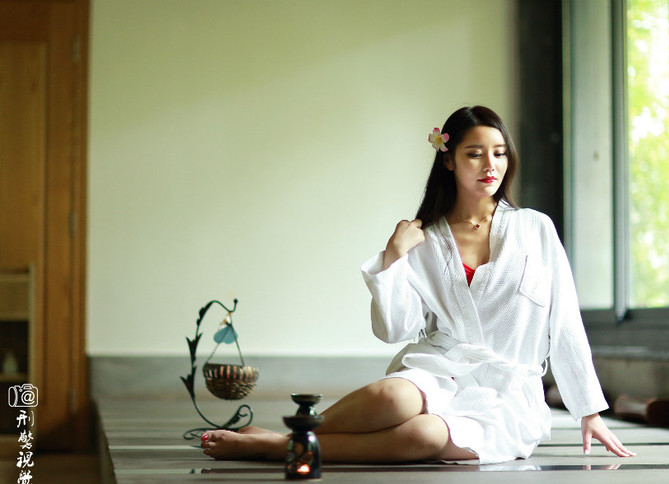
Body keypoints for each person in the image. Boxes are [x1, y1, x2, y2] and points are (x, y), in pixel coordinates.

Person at [200, 105, 635, 464]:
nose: (491, 166)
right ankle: (297, 434)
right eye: (475, 154)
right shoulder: (424, 239)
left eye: (500, 153)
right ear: (448, 159)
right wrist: (393, 258)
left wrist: (589, 410)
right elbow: (395, 330)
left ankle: (279, 445)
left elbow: (565, 322)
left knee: (423, 435)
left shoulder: (535, 229)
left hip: (506, 395)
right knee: (391, 395)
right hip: (441, 370)